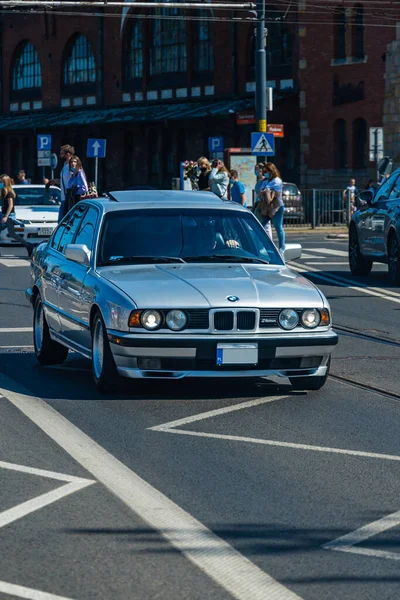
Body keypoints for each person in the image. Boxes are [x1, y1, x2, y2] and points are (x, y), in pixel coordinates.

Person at [0, 174, 33, 257]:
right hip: (4, 214)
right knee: (11, 233)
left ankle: (28, 245)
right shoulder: (3, 191)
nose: (0, 183)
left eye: (1, 182)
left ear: (6, 182)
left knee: (12, 234)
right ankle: (28, 245)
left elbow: (10, 205)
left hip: (9, 216)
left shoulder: (10, 193)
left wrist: (6, 217)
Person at [260, 162, 285, 252]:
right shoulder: (266, 180)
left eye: (266, 171)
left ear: (271, 171)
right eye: (263, 171)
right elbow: (261, 190)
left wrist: (265, 190)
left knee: (278, 227)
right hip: (266, 206)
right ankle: (263, 246)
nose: (264, 173)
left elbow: (267, 190)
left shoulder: (277, 180)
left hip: (276, 207)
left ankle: (282, 247)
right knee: (260, 226)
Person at [58, 144, 75, 222]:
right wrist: (56, 181)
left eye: (62, 154)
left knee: (62, 224)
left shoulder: (72, 165)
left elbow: (74, 180)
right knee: (62, 224)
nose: (60, 156)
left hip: (68, 198)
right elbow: (66, 180)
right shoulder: (65, 165)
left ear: (67, 154)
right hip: (64, 198)